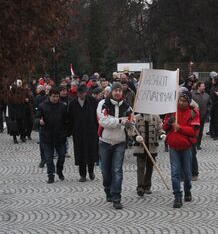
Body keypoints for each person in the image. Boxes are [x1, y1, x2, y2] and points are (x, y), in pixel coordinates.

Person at [97, 82, 134, 210]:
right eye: (115, 90)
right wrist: (119, 121)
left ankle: (117, 197)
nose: (117, 92)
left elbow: (131, 122)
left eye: (119, 90)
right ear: (111, 91)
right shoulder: (103, 104)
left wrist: (132, 130)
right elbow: (103, 121)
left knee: (117, 170)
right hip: (105, 142)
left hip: (120, 142)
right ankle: (108, 189)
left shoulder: (127, 106)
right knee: (106, 171)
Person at [163, 89, 200, 208]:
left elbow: (193, 131)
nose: (181, 103)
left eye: (184, 101)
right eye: (180, 100)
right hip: (173, 146)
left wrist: (180, 128)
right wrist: (168, 123)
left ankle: (187, 190)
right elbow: (164, 127)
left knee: (187, 173)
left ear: (188, 102)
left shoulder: (193, 113)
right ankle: (177, 196)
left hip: (186, 147)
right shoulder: (172, 111)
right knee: (175, 173)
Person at [35, 88, 68, 183]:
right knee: (49, 158)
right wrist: (39, 121)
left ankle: (59, 170)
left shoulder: (62, 106)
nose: (55, 98)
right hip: (47, 136)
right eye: (53, 96)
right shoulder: (42, 106)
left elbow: (67, 120)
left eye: (57, 96)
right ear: (49, 96)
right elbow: (36, 118)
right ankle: (51, 175)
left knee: (62, 156)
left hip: (60, 136)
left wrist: (66, 132)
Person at [69, 85, 99, 182]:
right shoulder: (73, 103)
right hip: (78, 133)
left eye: (83, 93)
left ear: (86, 92)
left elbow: (97, 116)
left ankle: (91, 171)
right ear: (77, 93)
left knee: (91, 152)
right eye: (79, 93)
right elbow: (70, 118)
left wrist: (97, 129)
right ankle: (82, 174)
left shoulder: (93, 101)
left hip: (91, 131)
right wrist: (71, 130)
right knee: (80, 153)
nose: (81, 95)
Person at [132, 114, 164, 196]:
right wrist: (135, 136)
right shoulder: (136, 117)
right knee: (141, 167)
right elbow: (131, 130)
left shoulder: (156, 117)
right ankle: (140, 187)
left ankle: (147, 186)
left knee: (150, 166)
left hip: (152, 146)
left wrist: (161, 135)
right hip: (140, 146)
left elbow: (159, 129)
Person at [191, 81, 209, 150]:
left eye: (204, 86)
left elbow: (210, 104)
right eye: (202, 86)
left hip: (202, 116)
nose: (204, 87)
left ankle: (198, 144)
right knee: (193, 131)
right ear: (198, 86)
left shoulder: (206, 95)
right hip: (193, 116)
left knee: (200, 131)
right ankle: (193, 143)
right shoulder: (192, 94)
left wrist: (207, 110)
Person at [209, 75, 218, 140]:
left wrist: (214, 104)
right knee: (213, 120)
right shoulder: (213, 87)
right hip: (212, 106)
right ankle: (213, 132)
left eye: (213, 80)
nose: (212, 81)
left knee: (217, 121)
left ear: (215, 81)